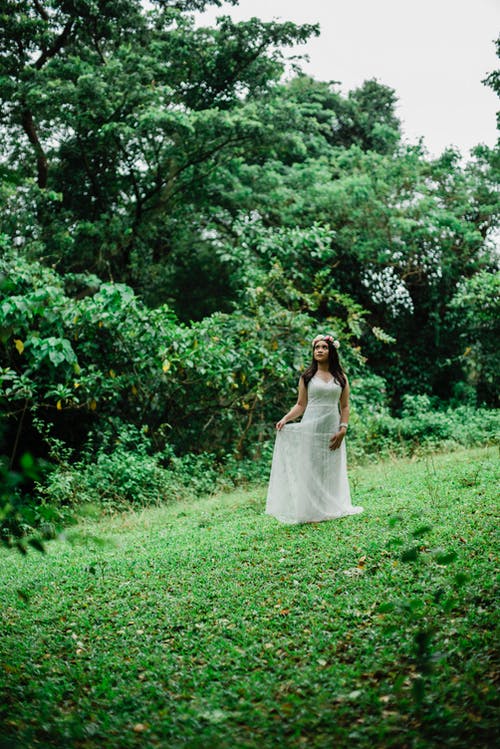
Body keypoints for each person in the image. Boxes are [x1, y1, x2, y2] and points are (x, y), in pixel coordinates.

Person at [266, 334, 363, 524]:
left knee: (331, 468)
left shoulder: (341, 378)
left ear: (331, 351)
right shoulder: (307, 377)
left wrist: (343, 429)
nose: (319, 350)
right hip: (311, 425)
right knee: (311, 467)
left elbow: (344, 406)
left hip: (332, 427)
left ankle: (331, 507)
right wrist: (285, 418)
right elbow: (301, 405)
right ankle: (311, 511)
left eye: (324, 347)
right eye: (316, 347)